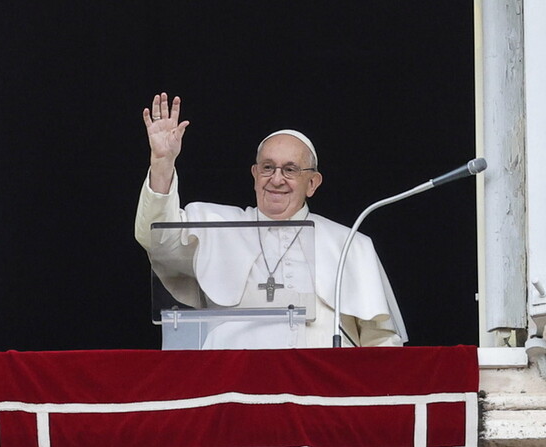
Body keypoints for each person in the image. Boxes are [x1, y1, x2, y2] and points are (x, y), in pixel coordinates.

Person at [135, 92, 407, 349]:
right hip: (234, 386)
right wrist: (162, 162)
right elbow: (157, 239)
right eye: (267, 167)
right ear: (255, 174)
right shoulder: (213, 225)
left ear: (312, 183)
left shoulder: (349, 243)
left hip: (323, 388)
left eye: (290, 169)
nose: (276, 179)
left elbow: (380, 342)